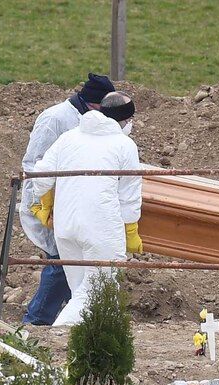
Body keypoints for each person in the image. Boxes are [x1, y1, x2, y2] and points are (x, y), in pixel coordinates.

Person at [31, 91, 143, 326]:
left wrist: (45, 205)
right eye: (130, 120)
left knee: (81, 290)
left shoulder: (69, 138)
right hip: (100, 228)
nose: (131, 125)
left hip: (65, 228)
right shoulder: (124, 145)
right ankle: (59, 333)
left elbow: (40, 177)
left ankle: (99, 340)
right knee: (96, 291)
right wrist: (131, 231)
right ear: (123, 120)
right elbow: (129, 195)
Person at [20, 73, 116, 325]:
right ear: (93, 103)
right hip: (50, 204)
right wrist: (41, 206)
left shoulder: (90, 121)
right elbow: (33, 164)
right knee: (60, 264)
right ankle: (36, 322)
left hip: (77, 205)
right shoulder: (55, 119)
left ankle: (61, 319)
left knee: (71, 265)